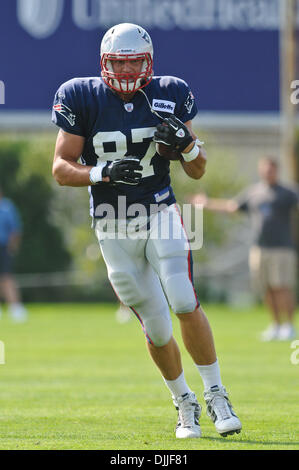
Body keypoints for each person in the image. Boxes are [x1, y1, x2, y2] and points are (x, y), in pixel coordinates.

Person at [52, 23, 242, 439]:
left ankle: (216, 393)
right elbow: (61, 169)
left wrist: (187, 146)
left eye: (134, 61)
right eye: (118, 62)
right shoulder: (79, 96)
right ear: (104, 63)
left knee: (183, 297)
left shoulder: (171, 91)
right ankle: (184, 402)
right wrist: (101, 172)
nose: (125, 70)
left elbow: (198, 168)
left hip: (161, 210)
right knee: (156, 328)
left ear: (149, 62)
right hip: (111, 222)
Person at [191, 157, 299, 341]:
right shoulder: (254, 193)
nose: (268, 173)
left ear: (277, 171)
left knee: (282, 287)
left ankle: (288, 326)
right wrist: (206, 203)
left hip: (282, 248)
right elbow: (232, 207)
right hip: (259, 248)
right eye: (265, 169)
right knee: (266, 287)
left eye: (271, 169)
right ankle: (276, 325)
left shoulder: (288, 193)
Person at [0, 187, 27, 322]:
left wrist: (13, 246)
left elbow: (15, 230)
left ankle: (15, 308)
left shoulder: (7, 206)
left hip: (4, 247)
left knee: (6, 278)